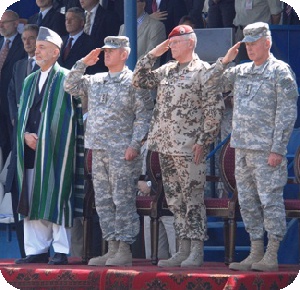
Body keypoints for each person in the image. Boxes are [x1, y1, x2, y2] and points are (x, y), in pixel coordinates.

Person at [132, 24, 224, 268]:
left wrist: (204, 141)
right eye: (170, 43)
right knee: (174, 200)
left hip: (189, 147)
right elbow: (139, 79)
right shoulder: (167, 70)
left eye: (176, 42)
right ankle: (182, 248)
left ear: (190, 43)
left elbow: (214, 110)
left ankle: (196, 250)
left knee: (193, 198)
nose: (171, 46)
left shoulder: (204, 71)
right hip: (165, 145)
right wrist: (154, 52)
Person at [64, 36, 154, 266]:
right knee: (103, 202)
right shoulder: (96, 80)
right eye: (105, 51)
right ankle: (111, 246)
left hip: (122, 152)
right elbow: (70, 85)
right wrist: (83, 62)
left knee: (122, 199)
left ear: (124, 54)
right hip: (98, 149)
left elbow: (144, 117)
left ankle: (124, 248)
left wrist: (135, 145)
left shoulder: (134, 81)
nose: (106, 55)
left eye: (112, 51)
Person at [216, 22, 299, 272]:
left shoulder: (280, 72)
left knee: (270, 201)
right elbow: (212, 84)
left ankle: (272, 252)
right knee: (249, 202)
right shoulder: (240, 71)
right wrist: (225, 61)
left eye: (254, 44)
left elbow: (287, 114)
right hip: (241, 148)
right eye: (247, 45)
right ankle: (256, 251)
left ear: (267, 43)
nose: (250, 49)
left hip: (266, 151)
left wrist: (277, 149)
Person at [14, 26, 84, 265]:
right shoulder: (29, 80)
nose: (37, 51)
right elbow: (22, 114)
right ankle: (37, 250)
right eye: (37, 47)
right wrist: (25, 136)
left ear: (56, 52)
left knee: (56, 196)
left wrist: (44, 137)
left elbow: (73, 118)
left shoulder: (66, 78)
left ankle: (61, 249)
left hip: (55, 151)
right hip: (30, 150)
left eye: (43, 47)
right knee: (32, 198)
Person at [6, 24, 40, 258]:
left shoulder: (48, 69)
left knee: (38, 198)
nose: (27, 42)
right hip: (20, 143)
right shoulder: (18, 67)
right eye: (25, 39)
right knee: (21, 199)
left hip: (40, 144)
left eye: (32, 39)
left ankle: (43, 250)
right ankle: (25, 250)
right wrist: (19, 131)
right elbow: (11, 101)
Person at [0, 10, 26, 166]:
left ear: (16, 23)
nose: (1, 26)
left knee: (11, 137)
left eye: (5, 22)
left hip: (11, 99)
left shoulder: (22, 43)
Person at [119, 0, 166, 67]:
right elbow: (118, 52)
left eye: (135, 2)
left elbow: (151, 55)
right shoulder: (123, 27)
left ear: (143, 4)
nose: (129, 6)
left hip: (144, 74)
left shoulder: (157, 26)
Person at [80, 0, 121, 72]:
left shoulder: (109, 17)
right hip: (80, 65)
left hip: (98, 67)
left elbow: (111, 44)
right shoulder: (76, 16)